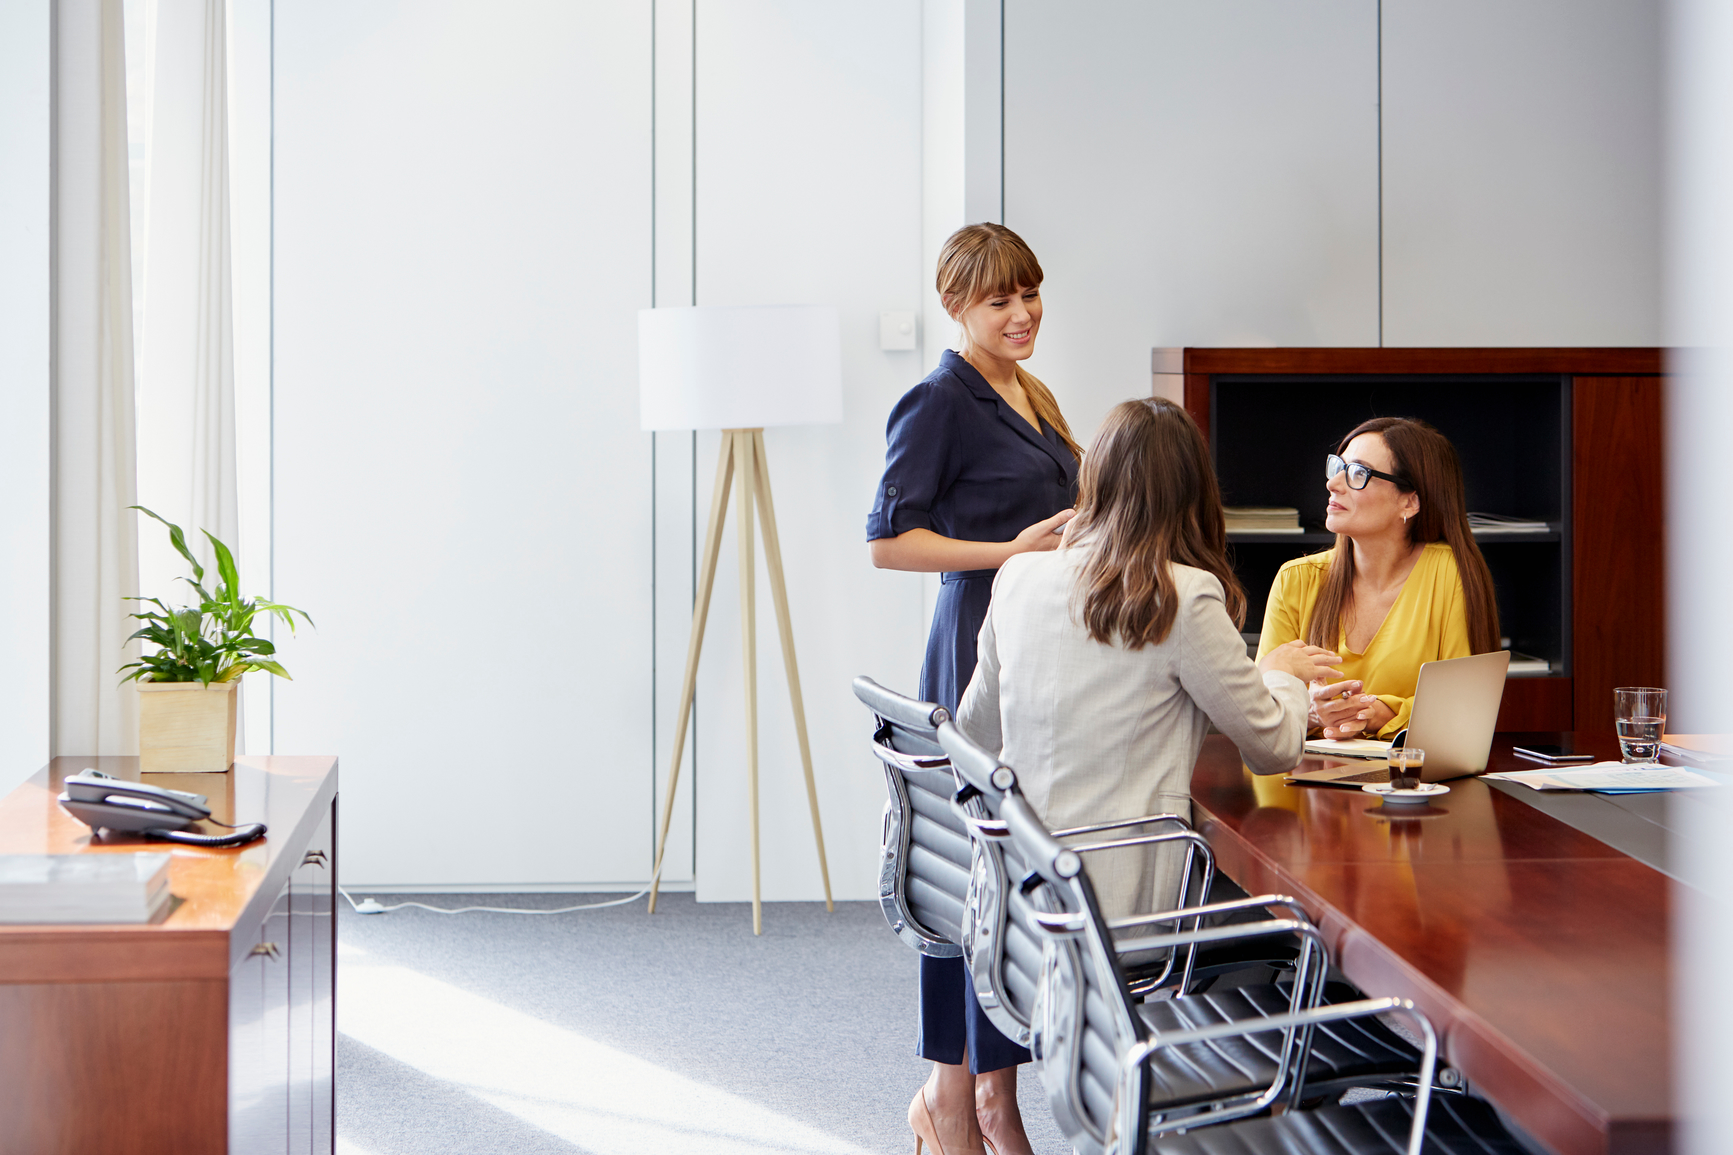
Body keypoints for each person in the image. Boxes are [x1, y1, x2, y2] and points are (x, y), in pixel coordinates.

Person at [954, 397, 1335, 925]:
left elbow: (975, 730)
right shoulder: (1184, 593)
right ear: (1193, 491)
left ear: (1097, 479)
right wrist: (1283, 675)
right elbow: (1273, 750)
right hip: (1125, 910)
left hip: (1017, 898)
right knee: (1296, 929)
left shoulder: (1019, 574)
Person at [867, 222, 1077, 1155]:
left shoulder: (1027, 389)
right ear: (956, 306)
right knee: (965, 880)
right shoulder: (938, 400)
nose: (1023, 313)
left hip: (1033, 649)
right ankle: (961, 1106)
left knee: (1011, 879)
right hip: (970, 648)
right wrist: (1010, 551)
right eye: (1000, 300)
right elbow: (886, 540)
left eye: (1029, 293)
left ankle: (987, 1098)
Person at [1256, 416, 1502, 739]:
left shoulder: (1450, 574)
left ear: (1409, 501)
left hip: (1412, 783)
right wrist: (1311, 711)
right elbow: (1257, 709)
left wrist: (1381, 713)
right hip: (1304, 782)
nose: (1333, 484)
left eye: (1358, 473)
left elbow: (1466, 707)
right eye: (1337, 468)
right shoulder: (1295, 580)